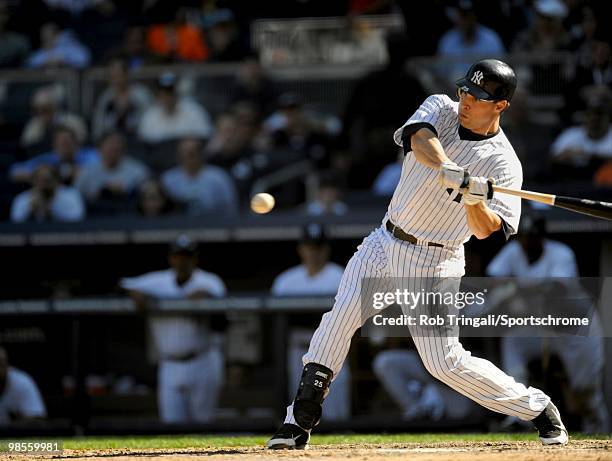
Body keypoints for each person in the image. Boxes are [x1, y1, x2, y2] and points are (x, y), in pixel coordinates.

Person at [267, 59, 568, 450]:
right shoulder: (440, 107)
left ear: (500, 105)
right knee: (339, 318)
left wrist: (473, 199)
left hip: (434, 260)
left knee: (444, 362)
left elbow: (486, 229)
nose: (465, 99)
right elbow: (418, 138)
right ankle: (298, 419)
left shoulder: (503, 163)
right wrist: (449, 167)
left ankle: (537, 407)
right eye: (465, 90)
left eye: (477, 97)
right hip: (384, 239)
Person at [486, 215, 610, 434]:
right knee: (514, 342)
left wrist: (515, 287)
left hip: (576, 328)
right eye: (524, 237)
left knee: (585, 390)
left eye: (533, 237)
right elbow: (492, 276)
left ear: (542, 238)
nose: (527, 242)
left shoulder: (561, 254)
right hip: (543, 326)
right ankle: (518, 415)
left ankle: (598, 432)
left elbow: (554, 290)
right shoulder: (514, 251)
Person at [119, 236, 226, 423]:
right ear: (171, 258)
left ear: (195, 259)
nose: (182, 261)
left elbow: (223, 322)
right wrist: (133, 293)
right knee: (171, 424)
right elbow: (120, 285)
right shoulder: (156, 281)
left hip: (202, 360)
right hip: (169, 363)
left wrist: (209, 300)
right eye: (178, 256)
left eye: (187, 256)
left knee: (204, 423)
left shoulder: (209, 282)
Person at [271, 224, 350, 422]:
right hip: (297, 350)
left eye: (318, 247)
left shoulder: (340, 276)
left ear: (327, 249)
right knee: (298, 413)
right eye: (309, 246)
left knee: (336, 416)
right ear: (301, 249)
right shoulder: (286, 281)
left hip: (334, 351)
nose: (313, 252)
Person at [161, 138, 238, 216]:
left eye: (191, 154)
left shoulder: (219, 177)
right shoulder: (168, 179)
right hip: (175, 225)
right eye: (182, 155)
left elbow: (231, 208)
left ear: (201, 154)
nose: (187, 159)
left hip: (214, 224)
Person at [75, 131, 150, 204]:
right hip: (95, 212)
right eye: (110, 147)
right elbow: (76, 197)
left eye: (116, 148)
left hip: (128, 212)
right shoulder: (87, 171)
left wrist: (126, 191)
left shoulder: (138, 171)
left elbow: (148, 194)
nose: (113, 150)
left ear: (123, 150)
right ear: (99, 149)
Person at [137, 72, 213, 144]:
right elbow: (143, 141)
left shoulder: (194, 111)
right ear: (158, 94)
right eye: (163, 92)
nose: (167, 96)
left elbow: (206, 136)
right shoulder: (150, 116)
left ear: (176, 92)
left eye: (170, 92)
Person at [10, 125, 99, 184]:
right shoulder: (49, 158)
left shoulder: (88, 154)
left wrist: (69, 172)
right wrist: (42, 175)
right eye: (60, 144)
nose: (64, 147)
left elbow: (98, 169)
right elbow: (15, 171)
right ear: (54, 146)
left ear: (76, 143)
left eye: (67, 142)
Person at [92, 57, 153, 140]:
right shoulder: (106, 98)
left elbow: (150, 119)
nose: (116, 79)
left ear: (126, 74)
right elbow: (98, 125)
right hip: (112, 140)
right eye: (112, 75)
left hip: (137, 140)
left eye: (118, 74)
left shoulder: (141, 94)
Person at [20, 85, 87, 154]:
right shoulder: (32, 124)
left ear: (55, 107)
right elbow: (27, 147)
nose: (41, 114)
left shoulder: (73, 121)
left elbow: (82, 143)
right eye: (37, 111)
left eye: (45, 110)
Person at [10, 164, 85, 223]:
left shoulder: (71, 195)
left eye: (47, 180)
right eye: (39, 180)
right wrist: (31, 211)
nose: (44, 185)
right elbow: (16, 225)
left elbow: (77, 220)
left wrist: (49, 212)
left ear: (57, 181)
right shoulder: (22, 199)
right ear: (32, 182)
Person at [0, 346, 46, 424]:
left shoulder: (22, 382)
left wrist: (18, 420)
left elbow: (38, 419)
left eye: (1, 364)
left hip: (13, 434)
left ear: (7, 365)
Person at [26, 22, 90, 69]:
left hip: (69, 81)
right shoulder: (42, 51)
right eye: (44, 36)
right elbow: (30, 64)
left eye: (49, 36)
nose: (46, 39)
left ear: (56, 35)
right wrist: (45, 62)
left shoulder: (68, 46)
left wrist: (64, 60)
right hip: (48, 82)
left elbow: (83, 59)